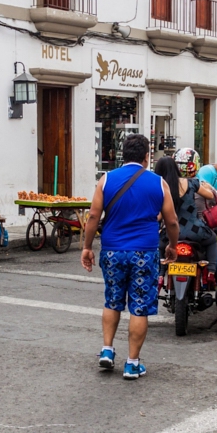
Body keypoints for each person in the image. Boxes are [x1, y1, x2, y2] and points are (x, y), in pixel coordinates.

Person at [81, 133, 179, 380]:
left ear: (123, 155)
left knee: (112, 300)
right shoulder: (159, 183)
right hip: (144, 253)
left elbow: (93, 216)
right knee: (139, 307)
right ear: (147, 157)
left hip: (113, 250)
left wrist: (87, 246)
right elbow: (172, 221)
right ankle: (132, 363)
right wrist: (173, 246)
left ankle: (107, 349)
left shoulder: (106, 180)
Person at [156, 153, 217, 301]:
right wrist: (208, 186)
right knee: (212, 240)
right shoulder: (192, 183)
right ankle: (212, 273)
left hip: (171, 234)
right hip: (195, 231)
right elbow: (211, 196)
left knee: (160, 246)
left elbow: (158, 216)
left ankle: (160, 275)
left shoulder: (160, 187)